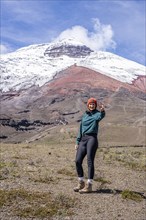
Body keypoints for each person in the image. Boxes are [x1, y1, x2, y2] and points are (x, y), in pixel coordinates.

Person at [74, 97, 105, 193]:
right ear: (88, 105)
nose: (91, 105)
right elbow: (80, 129)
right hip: (83, 139)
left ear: (95, 105)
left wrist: (102, 110)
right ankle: (81, 182)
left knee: (90, 161)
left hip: (92, 139)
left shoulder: (97, 114)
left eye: (93, 104)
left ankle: (89, 185)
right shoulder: (85, 115)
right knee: (77, 161)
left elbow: (101, 116)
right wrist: (77, 142)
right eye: (90, 104)